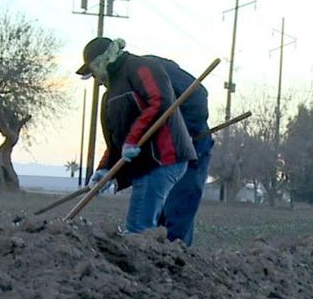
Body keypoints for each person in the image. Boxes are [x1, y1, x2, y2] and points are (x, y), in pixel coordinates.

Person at [76, 37, 197, 234]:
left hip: (165, 157)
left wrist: (132, 140)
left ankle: (144, 260)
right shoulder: (110, 95)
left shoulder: (141, 67)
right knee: (140, 222)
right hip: (146, 165)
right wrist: (105, 170)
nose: (96, 80)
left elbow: (159, 101)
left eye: (93, 72)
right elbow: (116, 142)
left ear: (103, 61)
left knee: (138, 225)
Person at [145, 55, 213, 247]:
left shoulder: (150, 70)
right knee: (154, 213)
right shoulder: (123, 91)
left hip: (191, 146)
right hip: (161, 152)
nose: (100, 83)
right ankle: (153, 261)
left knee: (177, 213)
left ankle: (175, 265)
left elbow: (198, 95)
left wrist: (183, 133)